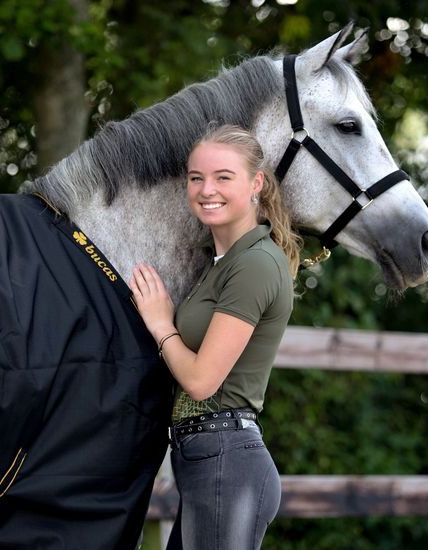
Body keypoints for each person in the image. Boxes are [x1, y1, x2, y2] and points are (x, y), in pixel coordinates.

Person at [128, 124, 302, 549]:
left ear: (256, 183)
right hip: (204, 460)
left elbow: (203, 381)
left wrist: (160, 323)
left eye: (223, 177)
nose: (207, 189)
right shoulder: (222, 263)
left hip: (227, 460)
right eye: (196, 177)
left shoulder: (257, 264)